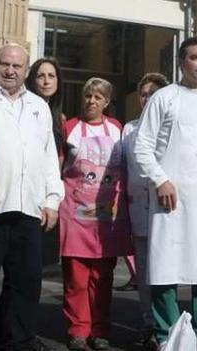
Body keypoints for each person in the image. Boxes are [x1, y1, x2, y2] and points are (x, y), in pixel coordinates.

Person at [0, 44, 64, 351]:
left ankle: (15, 343)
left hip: (29, 209)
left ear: (26, 70)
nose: (10, 71)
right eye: (5, 64)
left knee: (25, 285)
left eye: (17, 66)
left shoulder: (39, 106)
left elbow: (48, 155)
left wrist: (51, 199)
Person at [133, 38, 197, 344]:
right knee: (166, 268)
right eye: (194, 58)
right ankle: (168, 335)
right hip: (170, 198)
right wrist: (161, 180)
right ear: (180, 62)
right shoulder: (164, 98)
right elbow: (142, 146)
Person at [59, 78, 131, 351]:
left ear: (107, 102)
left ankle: (100, 330)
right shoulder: (71, 128)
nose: (91, 101)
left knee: (103, 278)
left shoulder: (117, 129)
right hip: (75, 216)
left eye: (98, 97)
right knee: (76, 279)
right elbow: (58, 167)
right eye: (88, 96)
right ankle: (78, 330)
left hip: (107, 220)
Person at [121, 72, 170, 347]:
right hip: (138, 207)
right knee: (143, 270)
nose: (147, 98)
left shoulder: (170, 128)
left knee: (164, 269)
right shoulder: (129, 128)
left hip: (166, 209)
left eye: (153, 93)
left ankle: (166, 322)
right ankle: (147, 322)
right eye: (143, 94)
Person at [25, 58, 66, 161]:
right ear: (32, 81)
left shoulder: (60, 118)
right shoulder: (24, 111)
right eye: (40, 76)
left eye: (51, 76)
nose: (47, 81)